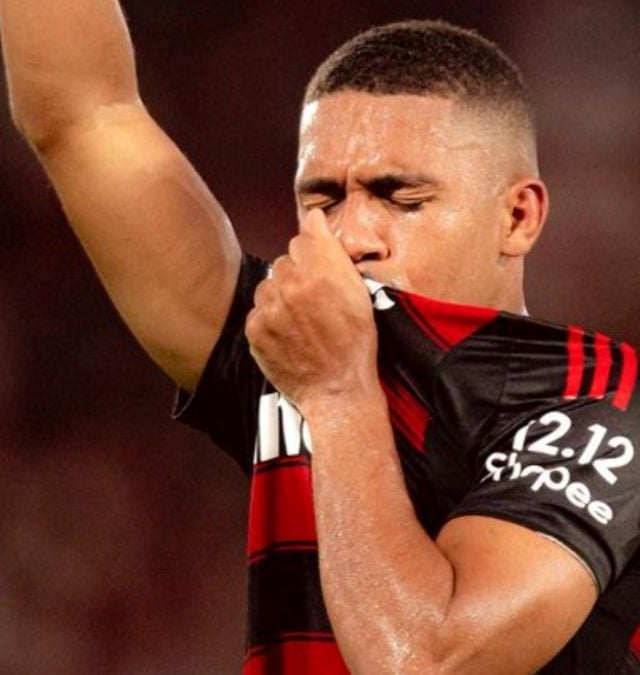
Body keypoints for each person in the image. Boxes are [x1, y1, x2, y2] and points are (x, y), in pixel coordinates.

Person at [1, 2, 639, 673]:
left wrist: (337, 392)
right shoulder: (283, 344)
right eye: (323, 200)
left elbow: (424, 662)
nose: (351, 237)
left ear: (517, 217)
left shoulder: (603, 403)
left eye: (401, 198)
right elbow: (83, 116)